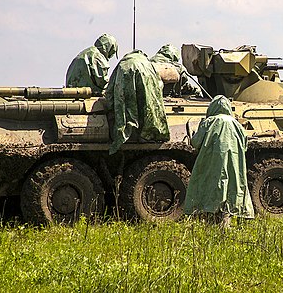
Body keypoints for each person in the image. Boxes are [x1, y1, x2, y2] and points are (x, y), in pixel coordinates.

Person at [184, 95, 254, 226]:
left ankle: (211, 223)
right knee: (231, 189)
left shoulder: (209, 122)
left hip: (211, 164)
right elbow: (245, 144)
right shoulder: (237, 124)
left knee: (211, 189)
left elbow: (195, 142)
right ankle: (226, 223)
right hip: (233, 165)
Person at [104, 50, 170, 155]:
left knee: (125, 105)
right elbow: (158, 88)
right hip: (145, 73)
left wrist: (109, 106)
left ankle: (126, 133)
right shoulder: (148, 64)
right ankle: (148, 134)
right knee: (149, 103)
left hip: (125, 72)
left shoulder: (123, 63)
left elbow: (110, 91)